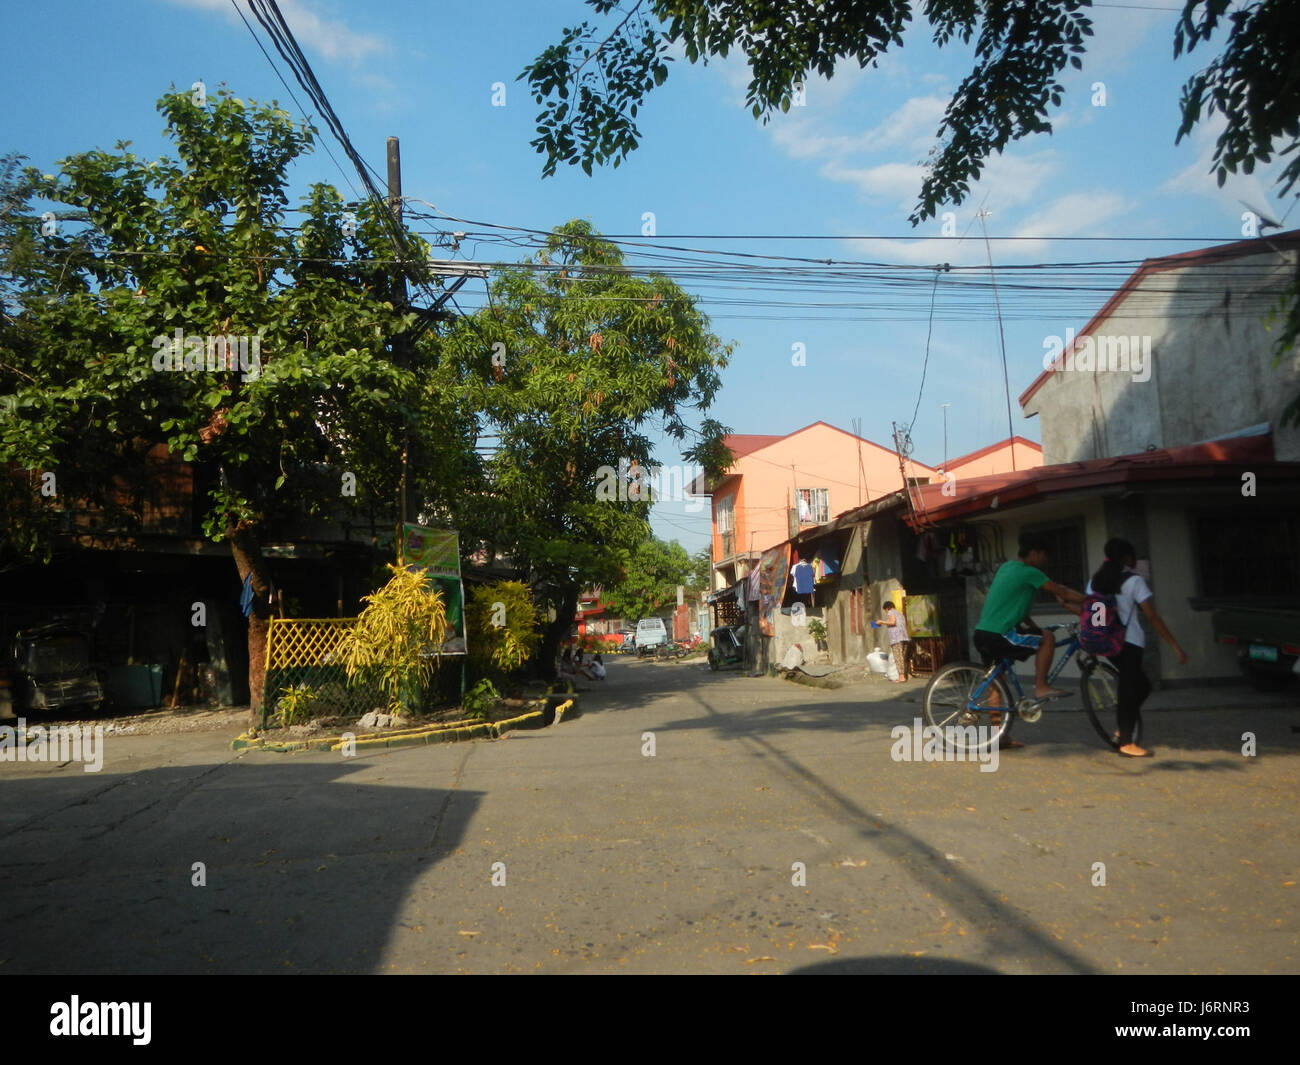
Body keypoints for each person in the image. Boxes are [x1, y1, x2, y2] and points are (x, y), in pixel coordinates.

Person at [972, 532, 1088, 748]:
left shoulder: (1007, 568)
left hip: (983, 633)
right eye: (1044, 555)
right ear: (1034, 554)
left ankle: (1000, 737)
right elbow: (1061, 591)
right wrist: (1090, 599)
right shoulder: (1030, 572)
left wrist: (1032, 627)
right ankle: (1041, 686)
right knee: (1048, 638)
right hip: (1001, 633)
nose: (1046, 560)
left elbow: (1015, 606)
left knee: (996, 683)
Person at [1086, 538, 1186, 758]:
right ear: (1126, 557)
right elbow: (1152, 617)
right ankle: (1126, 742)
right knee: (1129, 689)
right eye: (1132, 555)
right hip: (1130, 643)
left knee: (1142, 686)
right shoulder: (1134, 582)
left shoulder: (1094, 581)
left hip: (1107, 642)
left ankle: (1124, 727)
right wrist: (1175, 645)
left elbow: (1093, 612)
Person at [874, 597, 912, 683]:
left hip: (896, 638)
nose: (886, 612)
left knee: (898, 657)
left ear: (887, 608)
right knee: (903, 657)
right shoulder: (900, 613)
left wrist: (881, 622)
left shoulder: (891, 612)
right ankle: (904, 675)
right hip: (904, 637)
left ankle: (901, 677)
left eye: (885, 610)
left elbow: (893, 622)